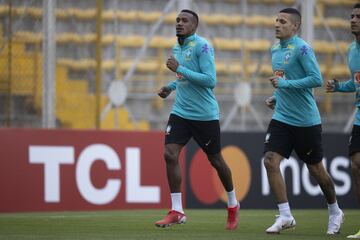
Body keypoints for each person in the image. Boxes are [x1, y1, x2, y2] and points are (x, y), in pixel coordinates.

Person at [154, 9, 240, 230]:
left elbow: (210, 81)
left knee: (216, 161)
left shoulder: (203, 46)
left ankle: (232, 203)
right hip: (181, 112)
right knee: (169, 154)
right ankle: (177, 210)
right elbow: (183, 77)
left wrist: (179, 68)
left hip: (204, 115)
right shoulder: (177, 47)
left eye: (184, 21)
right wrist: (170, 87)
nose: (179, 24)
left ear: (194, 26)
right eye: (177, 20)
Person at [263, 7, 344, 235]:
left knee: (316, 170)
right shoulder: (275, 49)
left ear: (295, 27)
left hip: (306, 121)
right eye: (276, 20)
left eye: (282, 21)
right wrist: (276, 97)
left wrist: (284, 87)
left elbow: (316, 79)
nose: (277, 24)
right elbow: (284, 80)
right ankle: (286, 215)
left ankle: (335, 210)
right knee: (270, 161)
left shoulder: (303, 49)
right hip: (282, 118)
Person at [326, 3, 360, 239]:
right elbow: (356, 83)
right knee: (356, 166)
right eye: (352, 16)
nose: (353, 19)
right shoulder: (352, 50)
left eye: (359, 16)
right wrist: (339, 87)